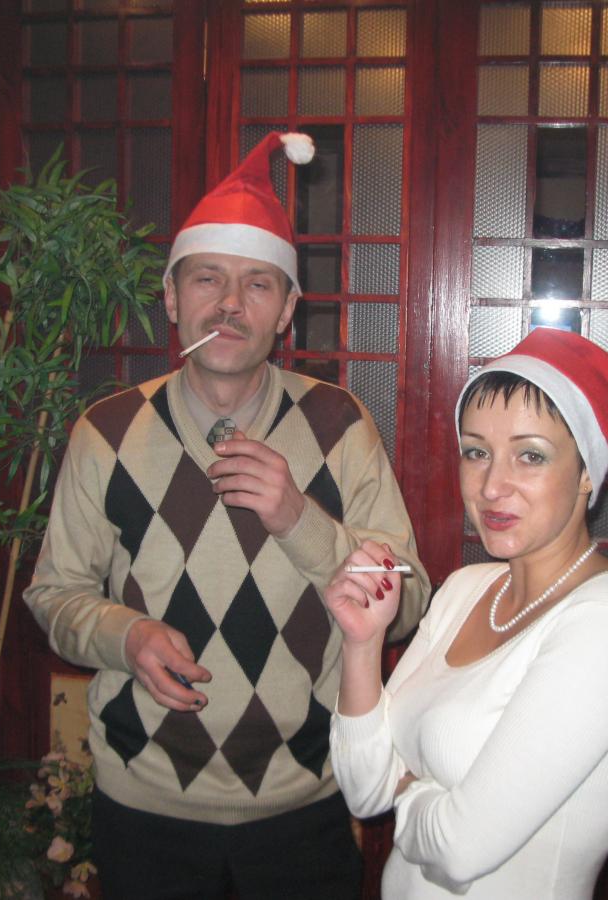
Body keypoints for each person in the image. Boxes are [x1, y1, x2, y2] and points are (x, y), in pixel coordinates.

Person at [23, 131, 429, 900]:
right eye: (207, 278)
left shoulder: (340, 426)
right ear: (172, 297)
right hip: (143, 804)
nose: (230, 304)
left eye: (258, 284)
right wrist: (125, 634)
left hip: (304, 802)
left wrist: (300, 520)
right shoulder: (105, 433)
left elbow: (407, 600)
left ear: (287, 311)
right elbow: (53, 594)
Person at [325, 326, 608, 898]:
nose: (491, 486)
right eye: (476, 452)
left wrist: (406, 790)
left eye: (530, 456)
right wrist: (362, 643)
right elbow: (364, 791)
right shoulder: (465, 590)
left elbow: (460, 849)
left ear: (588, 472)